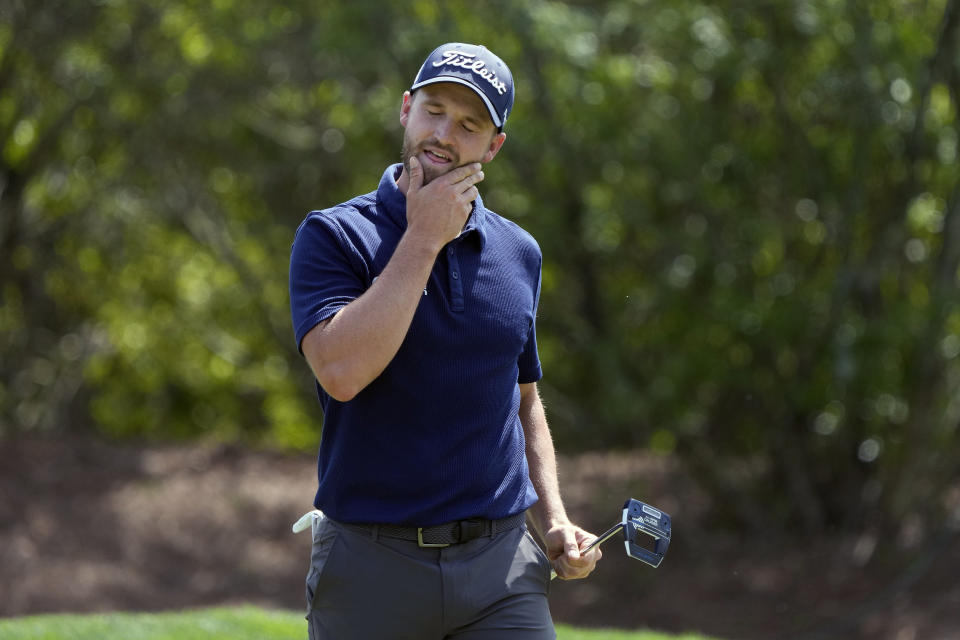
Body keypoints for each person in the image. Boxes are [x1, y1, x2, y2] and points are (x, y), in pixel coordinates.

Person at [288, 42, 601, 640]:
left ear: (493, 146)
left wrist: (554, 517)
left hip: (501, 571)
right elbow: (341, 372)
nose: (443, 134)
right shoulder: (333, 235)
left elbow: (523, 401)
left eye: (469, 124)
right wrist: (424, 238)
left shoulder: (520, 253)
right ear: (405, 110)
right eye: (433, 110)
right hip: (371, 569)